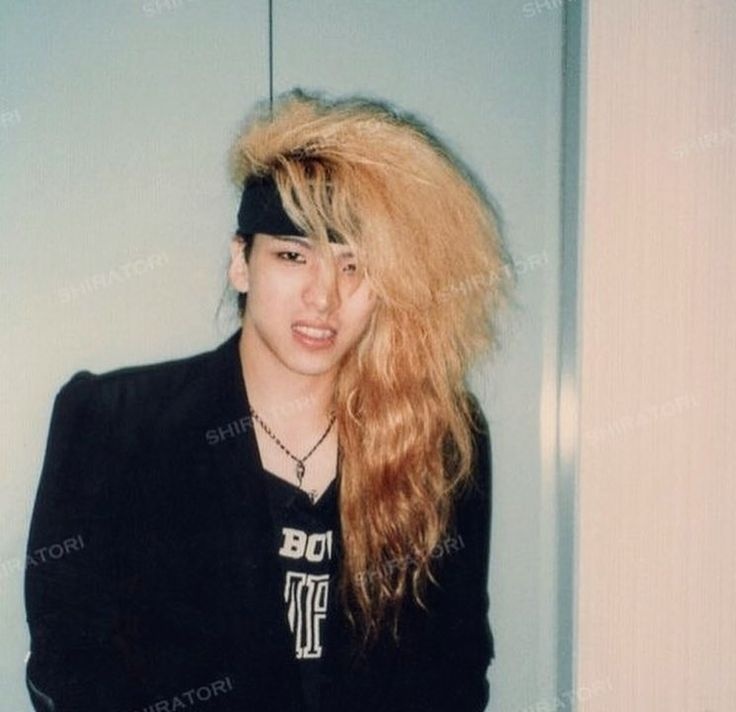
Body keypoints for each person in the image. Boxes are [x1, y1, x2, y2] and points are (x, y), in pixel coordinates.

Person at [24, 89, 513, 712]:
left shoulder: (437, 436)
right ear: (242, 262)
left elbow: (458, 661)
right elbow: (67, 660)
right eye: (292, 255)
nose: (323, 297)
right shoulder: (114, 423)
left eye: (353, 266)